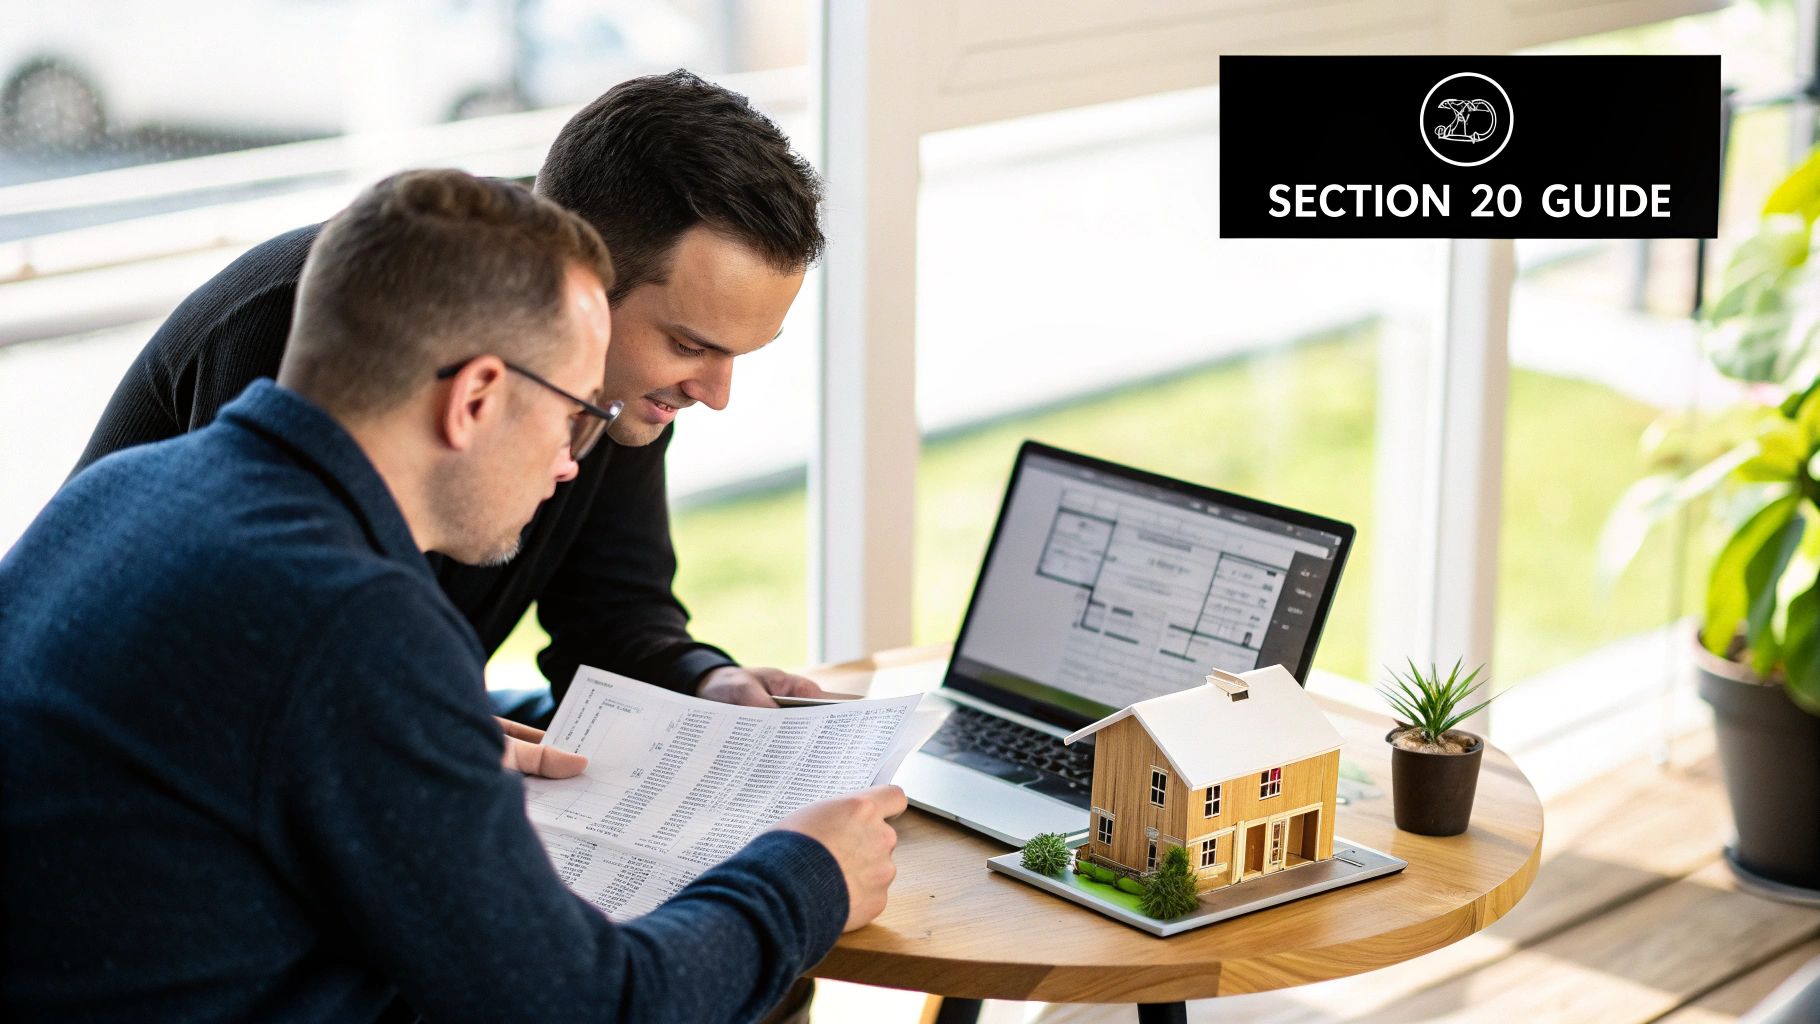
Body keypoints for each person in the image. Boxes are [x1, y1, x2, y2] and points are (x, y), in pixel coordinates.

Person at [0, 168, 904, 1023]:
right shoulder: (349, 617)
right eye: (575, 418)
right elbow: (592, 1007)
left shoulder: (119, 493)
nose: (569, 464)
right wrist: (810, 871)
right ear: (474, 397)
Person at [72, 69, 830, 735]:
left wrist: (704, 681)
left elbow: (610, 612)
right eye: (693, 346)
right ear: (589, 283)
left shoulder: (623, 381)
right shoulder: (327, 324)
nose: (716, 394)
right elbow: (254, 668)